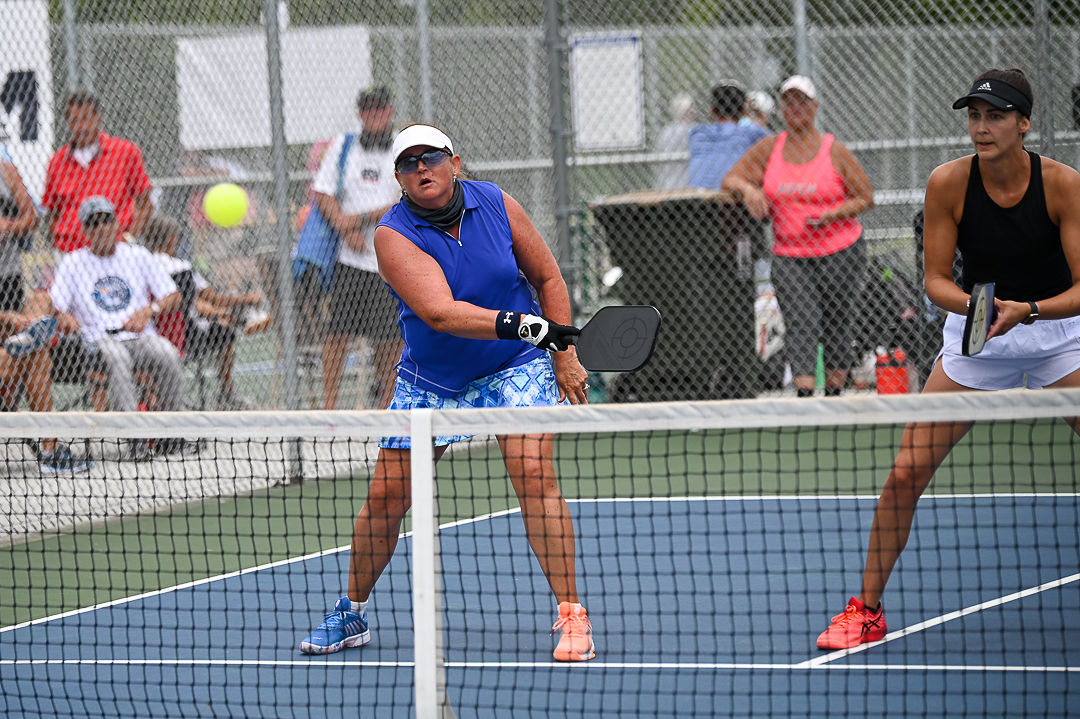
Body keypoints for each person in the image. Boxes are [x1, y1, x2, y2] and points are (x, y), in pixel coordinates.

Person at [299, 124, 595, 662]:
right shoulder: (392, 234)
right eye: (408, 164)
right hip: (432, 377)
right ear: (398, 179)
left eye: (430, 158)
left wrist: (564, 353)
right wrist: (528, 326)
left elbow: (549, 278)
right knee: (388, 497)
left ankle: (573, 614)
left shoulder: (497, 203)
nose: (421, 169)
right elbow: (440, 313)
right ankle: (350, 611)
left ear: (454, 163)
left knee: (533, 474)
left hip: (512, 364)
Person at [815, 67, 1080, 650]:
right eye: (975, 116)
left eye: (996, 117)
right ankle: (866, 611)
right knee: (906, 472)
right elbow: (935, 280)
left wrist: (1029, 310)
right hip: (979, 335)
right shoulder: (948, 183)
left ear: (1023, 124)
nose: (981, 127)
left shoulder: (1063, 185)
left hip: (1056, 333)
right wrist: (981, 310)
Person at [722, 75, 874, 397]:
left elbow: (865, 197)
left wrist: (832, 215)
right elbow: (731, 179)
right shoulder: (769, 149)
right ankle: (804, 395)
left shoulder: (834, 151)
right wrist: (749, 190)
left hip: (840, 250)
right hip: (790, 254)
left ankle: (834, 392)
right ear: (781, 109)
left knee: (836, 321)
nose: (795, 108)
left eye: (802, 101)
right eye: (789, 102)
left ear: (815, 107)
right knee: (801, 321)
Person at [49, 197, 184, 455]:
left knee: (167, 353)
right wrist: (65, 317)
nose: (101, 227)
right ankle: (136, 440)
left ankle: (173, 434)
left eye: (106, 220)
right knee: (117, 357)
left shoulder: (137, 255)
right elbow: (56, 305)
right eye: (93, 223)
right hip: (97, 340)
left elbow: (173, 296)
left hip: (139, 336)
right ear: (85, 231)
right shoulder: (73, 262)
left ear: (117, 223)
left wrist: (148, 311)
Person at [312, 86, 403, 410]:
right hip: (349, 260)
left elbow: (404, 199)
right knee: (337, 333)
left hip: (388, 259)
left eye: (379, 108)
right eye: (367, 109)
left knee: (388, 337)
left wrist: (360, 220)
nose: (373, 115)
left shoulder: (402, 149)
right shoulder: (343, 145)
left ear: (390, 111)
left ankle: (387, 406)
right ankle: (330, 407)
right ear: (360, 114)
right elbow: (323, 192)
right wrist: (342, 226)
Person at [141, 215, 265, 410]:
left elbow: (194, 302)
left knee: (221, 319)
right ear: (172, 239)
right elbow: (211, 298)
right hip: (185, 335)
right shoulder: (181, 267)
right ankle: (226, 393)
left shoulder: (141, 265)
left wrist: (218, 313)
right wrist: (247, 298)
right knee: (225, 332)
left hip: (148, 332)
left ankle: (159, 395)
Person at [42, 91, 153, 254]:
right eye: (75, 121)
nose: (82, 127)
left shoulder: (125, 152)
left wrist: (128, 239)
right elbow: (52, 213)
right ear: (68, 123)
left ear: (98, 118)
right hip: (72, 252)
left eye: (86, 118)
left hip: (116, 250)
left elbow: (145, 205)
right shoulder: (57, 162)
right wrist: (60, 245)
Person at [688, 81, 770, 190]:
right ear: (743, 112)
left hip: (697, 196)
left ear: (712, 111)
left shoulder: (697, 134)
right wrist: (758, 117)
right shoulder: (752, 133)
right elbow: (775, 140)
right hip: (733, 196)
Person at [653, 92, 695, 190]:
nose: (694, 111)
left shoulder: (665, 131)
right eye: (691, 108)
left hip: (666, 184)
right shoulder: (691, 130)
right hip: (686, 184)